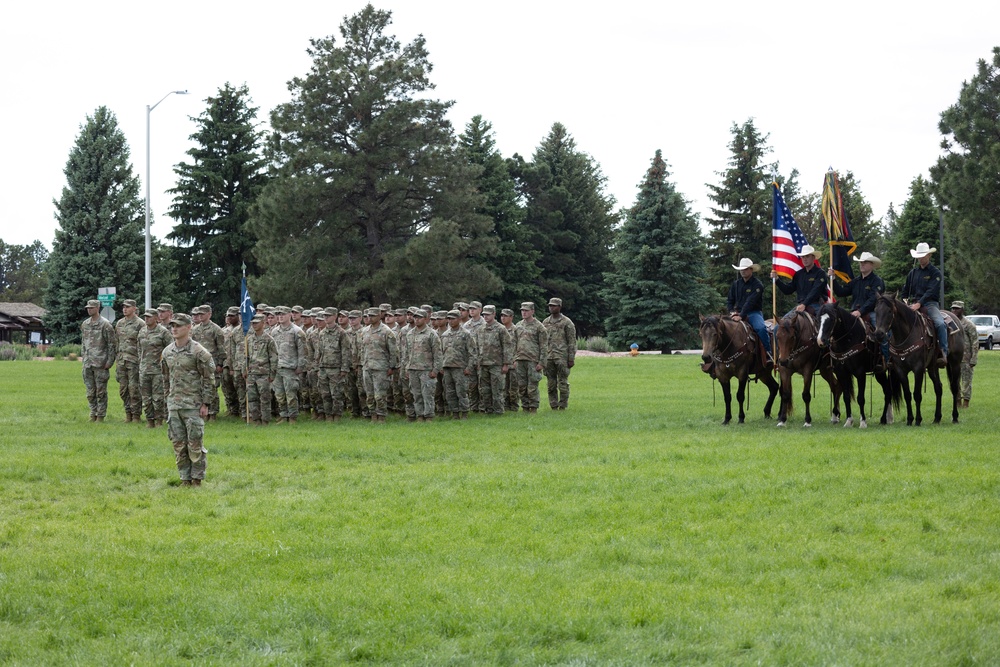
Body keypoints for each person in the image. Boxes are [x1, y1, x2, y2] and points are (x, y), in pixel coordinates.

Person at [161, 313, 215, 487]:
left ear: (188, 327)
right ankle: (185, 479)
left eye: (178, 326)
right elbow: (165, 378)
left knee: (195, 444)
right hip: (174, 405)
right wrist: (167, 400)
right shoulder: (167, 351)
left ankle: (197, 480)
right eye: (172, 326)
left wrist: (206, 403)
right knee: (178, 445)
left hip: (193, 405)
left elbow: (209, 379)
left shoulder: (199, 352)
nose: (174, 329)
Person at [828, 251, 888, 362]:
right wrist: (833, 279)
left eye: (865, 262)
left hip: (871, 313)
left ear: (872, 265)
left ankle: (887, 360)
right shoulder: (855, 281)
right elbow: (841, 292)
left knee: (882, 335)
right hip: (854, 313)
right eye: (861, 262)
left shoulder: (877, 281)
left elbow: (873, 299)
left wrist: (860, 311)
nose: (862, 264)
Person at [901, 242, 948, 366]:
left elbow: (931, 291)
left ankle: (943, 352)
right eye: (919, 255)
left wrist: (919, 304)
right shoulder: (912, 273)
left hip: (930, 304)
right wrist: (904, 300)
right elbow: (905, 290)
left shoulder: (935, 272)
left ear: (929, 256)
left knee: (940, 323)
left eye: (923, 255)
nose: (921, 258)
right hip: (913, 304)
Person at [727, 259, 772, 367]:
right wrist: (731, 311)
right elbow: (730, 300)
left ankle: (768, 353)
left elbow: (750, 302)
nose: (743, 271)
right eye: (741, 269)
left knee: (760, 328)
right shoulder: (736, 284)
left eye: (745, 269)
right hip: (737, 313)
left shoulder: (758, 285)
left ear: (751, 270)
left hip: (753, 313)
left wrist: (741, 316)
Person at [81, 299, 117, 422]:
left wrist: (110, 362)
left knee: (100, 391)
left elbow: (112, 345)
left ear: (97, 308)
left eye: (91, 308)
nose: (89, 310)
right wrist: (84, 358)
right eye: (88, 308)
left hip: (101, 363)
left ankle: (100, 415)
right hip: (88, 363)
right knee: (90, 391)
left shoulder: (105, 325)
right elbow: (83, 344)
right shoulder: (85, 324)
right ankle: (92, 413)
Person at [403, 308, 443, 421]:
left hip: (426, 370)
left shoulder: (432, 334)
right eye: (415, 317)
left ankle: (429, 416)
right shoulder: (410, 334)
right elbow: (406, 353)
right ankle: (419, 416)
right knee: (416, 395)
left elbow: (438, 354)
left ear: (426, 319)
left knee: (427, 395)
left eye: (419, 317)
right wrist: (406, 368)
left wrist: (435, 370)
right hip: (413, 369)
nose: (416, 320)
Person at [361, 307, 399, 423]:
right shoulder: (365, 331)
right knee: (369, 394)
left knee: (380, 395)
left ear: (379, 316)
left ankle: (381, 416)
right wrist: (363, 363)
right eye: (368, 316)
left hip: (381, 367)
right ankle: (373, 415)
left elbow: (393, 351)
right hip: (367, 367)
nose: (370, 318)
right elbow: (363, 349)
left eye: (373, 316)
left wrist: (392, 367)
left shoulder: (386, 332)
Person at [771, 245, 827, 320]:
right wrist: (777, 280)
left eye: (807, 256)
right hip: (800, 306)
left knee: (823, 327)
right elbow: (788, 290)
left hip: (816, 305)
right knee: (779, 326)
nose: (805, 259)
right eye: (803, 257)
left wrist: (804, 304)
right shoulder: (798, 274)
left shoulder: (820, 273)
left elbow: (815, 291)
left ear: (813, 257)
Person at [270, 305, 307, 422]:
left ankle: (293, 417)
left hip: (291, 368)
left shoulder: (297, 331)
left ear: (289, 315)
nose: (280, 317)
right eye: (278, 315)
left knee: (291, 394)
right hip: (277, 367)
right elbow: (272, 350)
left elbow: (303, 351)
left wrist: (300, 366)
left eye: (283, 314)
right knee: (279, 395)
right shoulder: (274, 331)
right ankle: (283, 415)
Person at [191, 305, 227, 420]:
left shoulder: (216, 329)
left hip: (212, 363)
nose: (200, 316)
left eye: (203, 314)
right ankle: (203, 412)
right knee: (200, 387)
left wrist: (220, 364)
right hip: (198, 363)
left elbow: (221, 348)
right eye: (199, 314)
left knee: (212, 388)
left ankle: (213, 413)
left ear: (209, 314)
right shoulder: (195, 329)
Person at [315, 309, 352, 421]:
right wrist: (317, 367)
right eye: (325, 316)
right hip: (323, 368)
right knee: (325, 394)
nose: (326, 318)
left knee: (336, 395)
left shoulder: (341, 333)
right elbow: (319, 351)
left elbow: (346, 351)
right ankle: (328, 415)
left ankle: (337, 416)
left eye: (328, 316)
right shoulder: (322, 333)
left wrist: (344, 368)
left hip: (336, 368)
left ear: (335, 316)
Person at [475, 305, 512, 415]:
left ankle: (499, 411)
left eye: (488, 314)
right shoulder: (480, 329)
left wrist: (506, 364)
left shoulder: (501, 329)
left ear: (494, 314)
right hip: (483, 364)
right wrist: (477, 362)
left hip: (496, 364)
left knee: (497, 390)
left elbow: (507, 346)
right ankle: (488, 410)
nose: (485, 316)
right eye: (484, 314)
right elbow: (477, 346)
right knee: (484, 390)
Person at [138, 308, 171, 428]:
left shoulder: (163, 332)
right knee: (146, 398)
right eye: (145, 317)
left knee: (158, 398)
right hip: (144, 369)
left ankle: (159, 420)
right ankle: (149, 420)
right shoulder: (142, 331)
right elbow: (139, 349)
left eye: (149, 317)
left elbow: (170, 349)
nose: (146, 319)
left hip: (158, 370)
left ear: (156, 318)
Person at [441, 309, 476, 419]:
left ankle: (464, 412)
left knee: (461, 391)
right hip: (447, 367)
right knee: (450, 392)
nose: (450, 321)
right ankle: (455, 413)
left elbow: (472, 352)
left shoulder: (466, 334)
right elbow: (441, 351)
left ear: (459, 319)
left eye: (453, 318)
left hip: (460, 367)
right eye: (449, 319)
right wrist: (441, 366)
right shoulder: (445, 335)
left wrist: (469, 367)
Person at [513, 302, 548, 413]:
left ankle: (533, 407)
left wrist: (542, 362)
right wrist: (514, 359)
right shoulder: (518, 325)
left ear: (532, 311)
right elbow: (514, 343)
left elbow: (544, 346)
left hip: (533, 360)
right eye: (522, 310)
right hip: (520, 360)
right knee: (521, 386)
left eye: (526, 310)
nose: (524, 312)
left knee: (532, 386)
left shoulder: (539, 327)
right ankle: (525, 407)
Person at [244, 313, 279, 426]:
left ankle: (265, 420)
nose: (254, 325)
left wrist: (272, 373)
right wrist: (244, 369)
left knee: (265, 398)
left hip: (264, 373)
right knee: (252, 398)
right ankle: (256, 420)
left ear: (263, 324)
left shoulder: (269, 339)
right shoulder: (249, 339)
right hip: (252, 373)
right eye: (253, 323)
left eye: (256, 323)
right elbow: (246, 356)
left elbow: (273, 357)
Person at [542, 297, 576, 410]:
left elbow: (572, 341)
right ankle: (553, 404)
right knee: (551, 384)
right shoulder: (545, 322)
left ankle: (563, 405)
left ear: (559, 307)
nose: (551, 307)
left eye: (554, 305)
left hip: (562, 357)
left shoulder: (567, 322)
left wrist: (571, 358)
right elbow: (542, 341)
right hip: (549, 357)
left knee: (563, 383)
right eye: (550, 305)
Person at [114, 298, 143, 422]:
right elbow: (117, 342)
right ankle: (128, 413)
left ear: (134, 309)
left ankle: (136, 415)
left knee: (134, 389)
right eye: (123, 307)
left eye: (128, 307)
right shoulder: (120, 323)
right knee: (123, 389)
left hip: (134, 361)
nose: (125, 309)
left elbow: (143, 343)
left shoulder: (140, 324)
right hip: (121, 361)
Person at [951, 301, 978, 408]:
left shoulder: (969, 324)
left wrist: (973, 359)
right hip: (954, 358)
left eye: (957, 308)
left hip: (966, 358)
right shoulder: (951, 324)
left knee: (966, 381)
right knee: (954, 380)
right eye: (953, 308)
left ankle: (966, 402)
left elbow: (975, 342)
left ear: (962, 309)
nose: (954, 310)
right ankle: (957, 401)